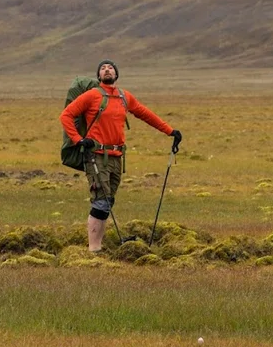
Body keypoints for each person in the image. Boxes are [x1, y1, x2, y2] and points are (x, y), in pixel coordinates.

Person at [60, 59, 182, 253]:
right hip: (96, 155)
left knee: (108, 201)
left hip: (117, 156)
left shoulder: (125, 97)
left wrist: (170, 131)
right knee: (101, 201)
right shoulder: (92, 95)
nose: (107, 70)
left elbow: (145, 114)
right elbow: (66, 115)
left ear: (116, 75)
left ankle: (97, 246)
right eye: (102, 68)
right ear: (98, 76)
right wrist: (78, 140)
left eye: (110, 68)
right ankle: (94, 250)